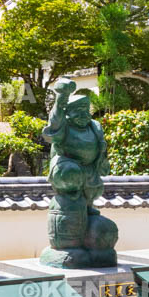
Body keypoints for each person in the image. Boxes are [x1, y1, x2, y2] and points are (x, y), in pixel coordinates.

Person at [39, 78, 118, 268]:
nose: (83, 115)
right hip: (67, 167)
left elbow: (101, 147)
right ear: (69, 113)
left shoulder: (94, 126)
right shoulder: (64, 125)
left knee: (93, 189)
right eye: (78, 111)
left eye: (86, 111)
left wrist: (102, 162)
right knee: (71, 174)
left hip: (90, 170)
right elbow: (54, 125)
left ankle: (88, 206)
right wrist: (60, 99)